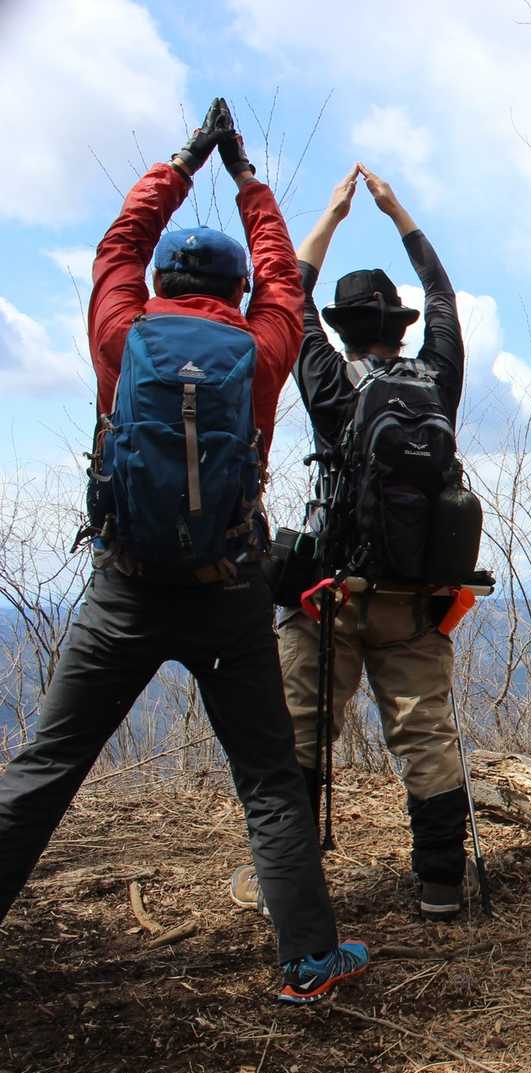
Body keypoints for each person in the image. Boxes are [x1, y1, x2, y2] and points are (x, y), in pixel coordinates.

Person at [0, 101, 368, 1004]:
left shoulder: (122, 335)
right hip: (228, 593)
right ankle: (308, 963)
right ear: (239, 289)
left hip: (122, 592)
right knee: (268, 780)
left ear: (158, 280)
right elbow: (283, 270)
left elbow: (117, 244)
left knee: (46, 769)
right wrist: (247, 176)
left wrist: (185, 160)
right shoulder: (262, 345)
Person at [227, 165, 472, 920]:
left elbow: (289, 295)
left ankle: (288, 885)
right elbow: (443, 297)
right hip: (417, 597)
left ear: (342, 329)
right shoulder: (437, 379)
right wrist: (400, 214)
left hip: (330, 594)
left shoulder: (331, 386)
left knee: (300, 732)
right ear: (399, 326)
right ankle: (441, 884)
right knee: (425, 735)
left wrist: (330, 218)